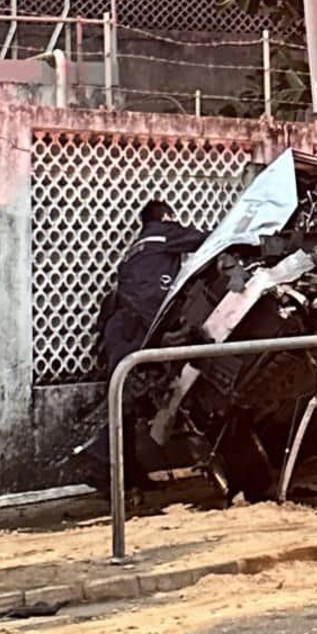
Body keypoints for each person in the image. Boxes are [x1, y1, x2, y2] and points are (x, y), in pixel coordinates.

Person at [83, 200, 208, 492]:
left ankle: (127, 472)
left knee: (128, 399)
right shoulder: (163, 232)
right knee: (125, 397)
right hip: (134, 325)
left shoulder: (138, 247)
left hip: (119, 326)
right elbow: (207, 239)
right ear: (165, 216)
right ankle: (101, 466)